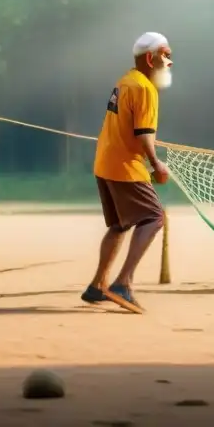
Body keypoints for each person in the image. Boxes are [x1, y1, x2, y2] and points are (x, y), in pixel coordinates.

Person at [81, 32, 173, 314]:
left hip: (105, 163)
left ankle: (98, 285)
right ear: (150, 58)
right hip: (125, 166)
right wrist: (157, 164)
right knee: (155, 217)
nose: (170, 61)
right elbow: (144, 134)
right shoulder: (145, 88)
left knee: (120, 224)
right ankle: (123, 283)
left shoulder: (125, 81)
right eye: (166, 55)